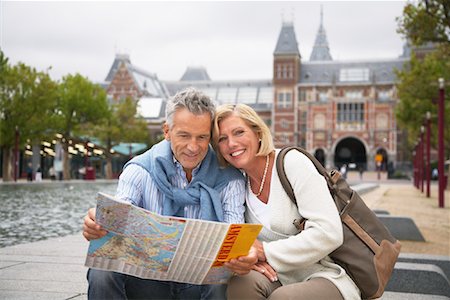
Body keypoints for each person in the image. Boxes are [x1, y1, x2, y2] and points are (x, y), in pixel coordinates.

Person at [82, 88, 246, 300]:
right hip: (148, 283)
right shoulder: (139, 170)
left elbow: (236, 236)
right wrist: (99, 223)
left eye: (202, 137)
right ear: (167, 131)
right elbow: (120, 213)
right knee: (102, 271)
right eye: (184, 135)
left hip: (201, 286)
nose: (193, 147)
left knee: (220, 279)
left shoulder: (230, 179)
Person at [212, 104, 360, 300]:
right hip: (275, 275)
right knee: (241, 284)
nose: (231, 143)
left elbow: (329, 233)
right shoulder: (237, 183)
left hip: (322, 274)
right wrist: (248, 261)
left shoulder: (292, 163)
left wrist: (263, 251)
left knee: (284, 298)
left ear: (258, 133)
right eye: (222, 139)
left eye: (239, 132)